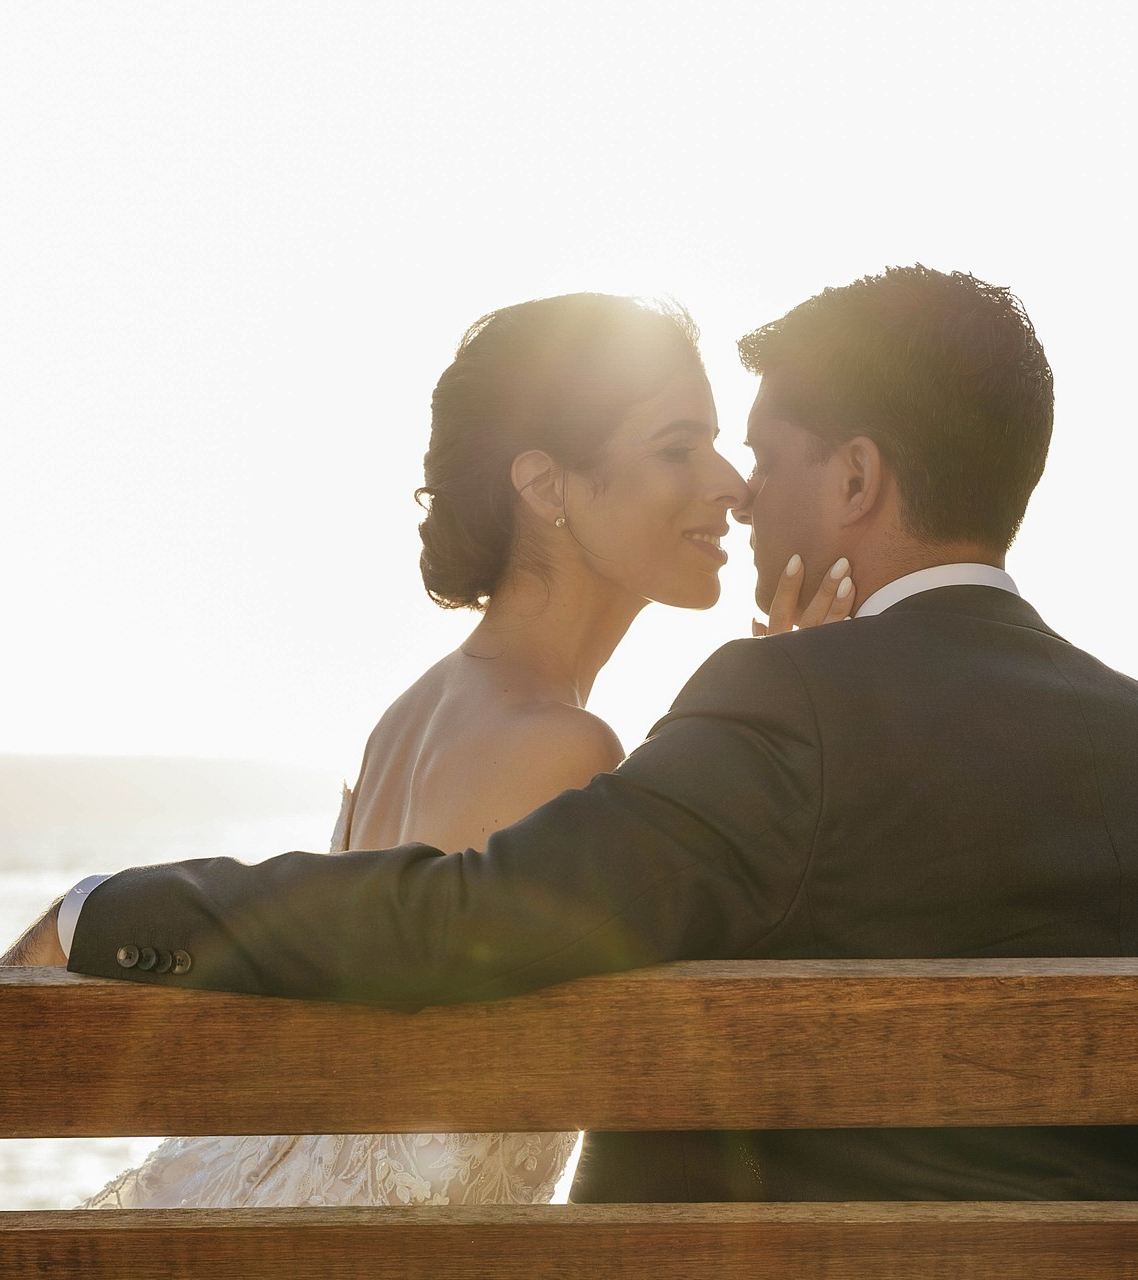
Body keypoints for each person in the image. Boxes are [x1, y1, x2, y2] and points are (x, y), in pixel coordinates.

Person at [3, 266, 1138, 1203]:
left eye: (768, 455)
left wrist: (112, 905)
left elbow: (463, 921)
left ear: (853, 482)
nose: (744, 487)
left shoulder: (782, 717)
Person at [62, 292, 844, 1208]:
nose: (732, 483)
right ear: (547, 486)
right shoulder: (564, 748)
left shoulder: (407, 717)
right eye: (678, 448)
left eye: (717, 443)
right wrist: (783, 712)